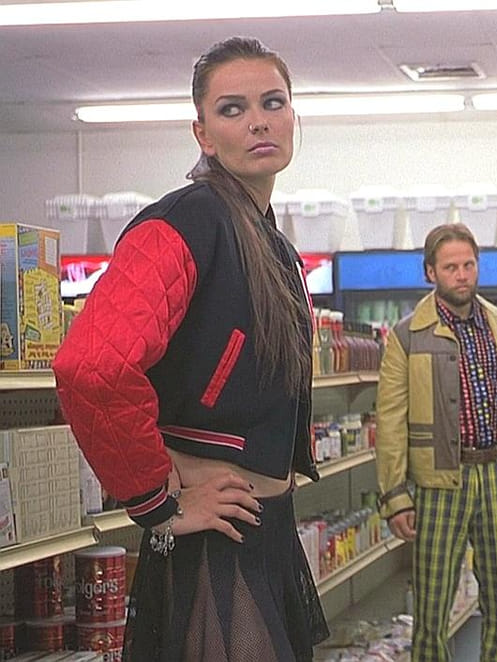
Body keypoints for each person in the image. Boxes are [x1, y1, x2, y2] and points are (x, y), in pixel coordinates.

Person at [52, 36, 328, 661]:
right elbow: (92, 366)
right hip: (216, 544)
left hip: (263, 531)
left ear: (294, 117)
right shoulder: (186, 221)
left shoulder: (268, 240)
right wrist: (158, 503)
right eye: (232, 108)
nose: (259, 120)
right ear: (202, 133)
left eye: (273, 102)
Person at [375, 223, 497, 662]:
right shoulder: (408, 335)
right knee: (431, 607)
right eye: (451, 267)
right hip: (438, 483)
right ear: (430, 272)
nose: (462, 275)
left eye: (468, 265)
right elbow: (390, 419)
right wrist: (395, 496)